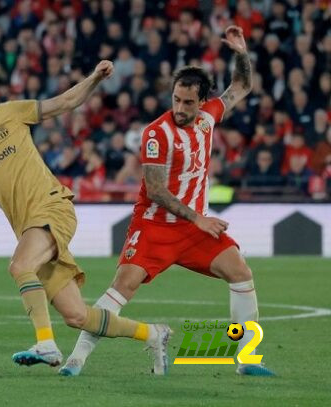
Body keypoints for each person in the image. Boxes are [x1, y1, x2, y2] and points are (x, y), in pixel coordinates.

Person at [0, 60, 171, 371]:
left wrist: (94, 78)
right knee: (77, 316)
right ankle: (153, 334)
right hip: (30, 228)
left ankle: (46, 345)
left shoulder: (9, 113)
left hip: (53, 206)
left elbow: (65, 102)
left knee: (20, 265)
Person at [60, 26, 275, 377]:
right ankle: (76, 359)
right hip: (155, 227)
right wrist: (199, 218)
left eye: (188, 102)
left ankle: (248, 358)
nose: (180, 107)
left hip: (193, 230)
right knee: (121, 288)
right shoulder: (157, 134)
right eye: (176, 99)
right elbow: (157, 190)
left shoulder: (208, 119)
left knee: (240, 272)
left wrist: (240, 52)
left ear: (202, 102)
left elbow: (241, 86)